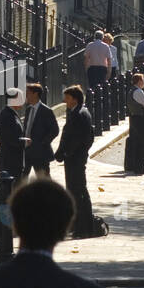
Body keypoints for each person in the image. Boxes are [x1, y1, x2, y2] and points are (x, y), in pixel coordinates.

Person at [55, 85, 95, 238]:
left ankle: (83, 227)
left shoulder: (80, 114)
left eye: (67, 97)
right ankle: (79, 225)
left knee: (78, 192)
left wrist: (66, 153)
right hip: (73, 159)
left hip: (75, 160)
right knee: (75, 191)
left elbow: (79, 139)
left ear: (74, 99)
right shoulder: (76, 112)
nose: (65, 100)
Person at [21, 83, 59, 181]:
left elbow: (55, 130)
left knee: (44, 180)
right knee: (22, 178)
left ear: (35, 94)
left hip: (40, 153)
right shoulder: (28, 109)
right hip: (26, 151)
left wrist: (42, 143)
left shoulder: (46, 111)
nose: (26, 96)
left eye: (28, 93)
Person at [0, 87, 27, 184]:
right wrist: (25, 141)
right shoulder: (6, 115)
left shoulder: (12, 113)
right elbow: (9, 138)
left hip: (14, 160)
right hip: (9, 161)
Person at [124, 72, 144, 174]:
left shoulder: (131, 91)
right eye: (143, 80)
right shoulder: (139, 92)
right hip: (141, 119)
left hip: (134, 119)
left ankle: (137, 166)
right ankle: (141, 166)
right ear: (140, 81)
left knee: (137, 142)